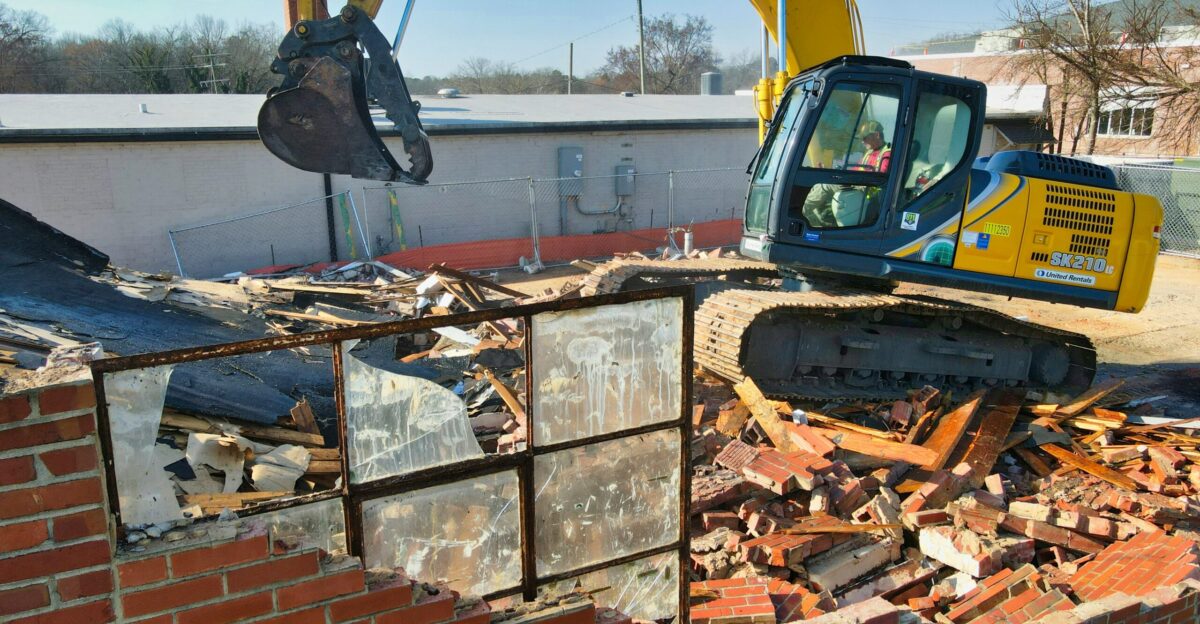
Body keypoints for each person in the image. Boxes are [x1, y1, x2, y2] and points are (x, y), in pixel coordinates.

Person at [802, 119, 891, 228]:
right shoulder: (869, 152)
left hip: (867, 192)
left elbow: (880, 177)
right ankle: (818, 222)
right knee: (822, 180)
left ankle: (800, 213)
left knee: (823, 186)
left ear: (877, 135)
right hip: (858, 184)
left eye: (864, 138)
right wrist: (831, 172)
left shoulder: (886, 154)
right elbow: (855, 170)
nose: (862, 141)